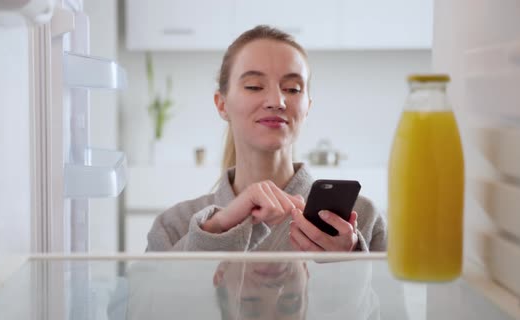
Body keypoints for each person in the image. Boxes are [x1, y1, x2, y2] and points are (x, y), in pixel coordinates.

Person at [146, 25, 387, 252]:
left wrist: (351, 264)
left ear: (307, 107)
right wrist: (214, 231)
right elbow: (144, 298)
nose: (276, 101)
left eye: (292, 89)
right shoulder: (174, 226)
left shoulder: (361, 219)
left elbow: (391, 298)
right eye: (253, 86)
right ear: (221, 104)